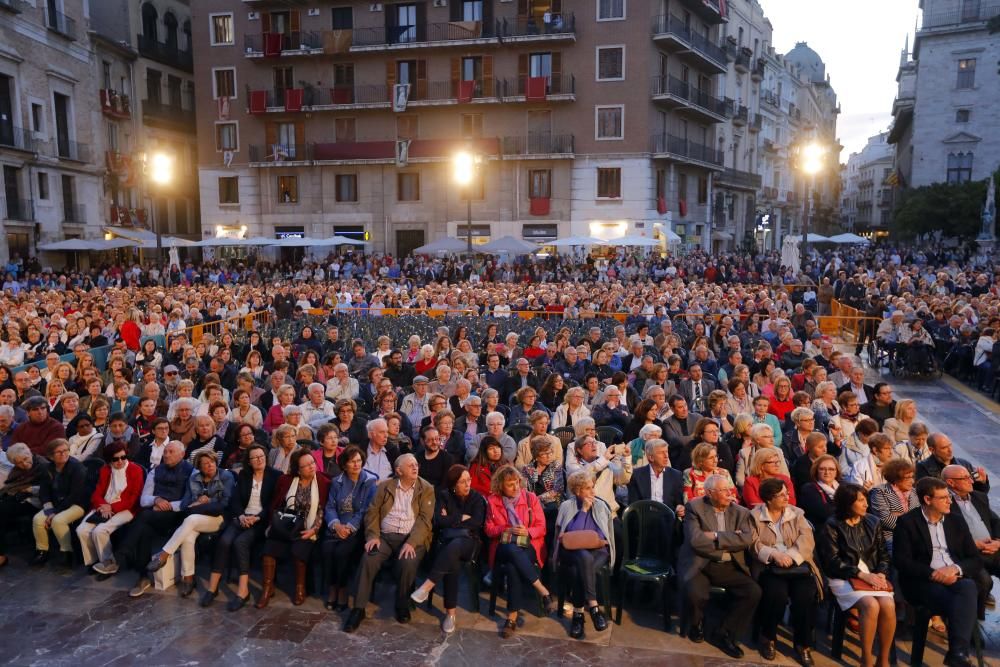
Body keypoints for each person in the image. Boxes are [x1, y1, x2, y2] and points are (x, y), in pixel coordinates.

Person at [894, 477, 982, 667]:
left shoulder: (956, 521)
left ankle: (957, 654)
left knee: (967, 586)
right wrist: (933, 574)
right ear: (927, 500)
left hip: (955, 579)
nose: (949, 501)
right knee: (963, 599)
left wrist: (954, 568)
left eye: (948, 497)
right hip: (922, 582)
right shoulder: (908, 522)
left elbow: (975, 559)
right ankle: (958, 654)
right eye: (943, 498)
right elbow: (901, 561)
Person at [343, 454, 435, 632]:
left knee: (407, 563)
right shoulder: (385, 486)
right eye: (410, 466)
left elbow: (425, 520)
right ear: (399, 471)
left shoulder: (426, 488)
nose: (415, 468)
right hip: (384, 537)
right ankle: (358, 608)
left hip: (411, 538)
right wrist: (373, 536)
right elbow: (372, 513)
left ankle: (402, 604)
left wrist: (412, 542)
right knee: (368, 559)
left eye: (416, 464)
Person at [679, 474, 761, 659]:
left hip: (729, 565)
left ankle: (724, 632)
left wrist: (715, 536)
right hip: (701, 562)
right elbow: (696, 540)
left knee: (753, 592)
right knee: (695, 592)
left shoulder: (741, 512)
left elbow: (747, 539)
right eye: (723, 490)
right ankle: (696, 623)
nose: (729, 493)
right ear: (709, 493)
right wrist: (730, 538)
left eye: (729, 489)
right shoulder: (694, 506)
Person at [817, 483, 896, 667]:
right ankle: (866, 658)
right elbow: (832, 562)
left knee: (888, 604)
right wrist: (860, 574)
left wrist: (882, 573)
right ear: (847, 503)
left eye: (865, 499)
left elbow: (884, 554)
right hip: (843, 576)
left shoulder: (873, 521)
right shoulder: (832, 525)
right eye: (861, 500)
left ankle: (883, 659)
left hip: (871, 575)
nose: (866, 504)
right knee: (871, 605)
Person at [750, 477, 823, 665]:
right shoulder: (754, 515)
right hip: (769, 566)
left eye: (787, 493)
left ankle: (802, 644)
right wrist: (774, 554)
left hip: (797, 564)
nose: (786, 497)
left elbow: (807, 540)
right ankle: (768, 637)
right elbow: (752, 543)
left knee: (805, 596)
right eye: (781, 495)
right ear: (768, 499)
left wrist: (791, 556)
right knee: (776, 595)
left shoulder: (797, 513)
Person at [201, 444, 281, 611]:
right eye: (255, 458)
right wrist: (242, 516)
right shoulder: (245, 475)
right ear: (249, 462)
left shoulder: (275, 476)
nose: (259, 460)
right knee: (224, 541)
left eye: (262, 456)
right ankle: (212, 588)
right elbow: (235, 500)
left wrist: (257, 518)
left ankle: (243, 591)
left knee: (240, 543)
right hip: (243, 517)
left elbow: (274, 505)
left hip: (261, 521)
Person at [410, 464, 487, 633]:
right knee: (452, 558)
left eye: (469, 480)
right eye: (462, 482)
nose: (467, 484)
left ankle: (427, 587)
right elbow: (438, 521)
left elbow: (477, 523)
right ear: (453, 485)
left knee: (456, 546)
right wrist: (461, 517)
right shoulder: (444, 496)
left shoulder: (476, 498)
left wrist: (451, 518)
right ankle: (450, 615)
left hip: (470, 543)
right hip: (447, 543)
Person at [147, 451, 235, 597]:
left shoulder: (226, 476)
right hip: (196, 518)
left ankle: (163, 555)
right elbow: (185, 504)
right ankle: (188, 578)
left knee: (190, 521)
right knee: (188, 537)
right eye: (205, 464)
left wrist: (209, 501)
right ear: (199, 467)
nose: (210, 465)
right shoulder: (194, 478)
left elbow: (226, 503)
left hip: (218, 518)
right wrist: (197, 501)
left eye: (212, 462)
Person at [483, 464, 556, 638]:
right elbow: (488, 529)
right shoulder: (493, 501)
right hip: (502, 546)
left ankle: (512, 617)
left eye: (517, 482)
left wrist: (527, 532)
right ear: (500, 486)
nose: (516, 487)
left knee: (513, 566)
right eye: (510, 484)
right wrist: (505, 529)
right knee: (509, 549)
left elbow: (542, 528)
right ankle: (542, 590)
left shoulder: (531, 498)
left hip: (528, 546)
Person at [257, 449, 331, 608]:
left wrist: (314, 530)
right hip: (285, 525)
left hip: (307, 528)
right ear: (298, 469)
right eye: (306, 465)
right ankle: (267, 588)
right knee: (269, 551)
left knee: (300, 550)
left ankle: (300, 588)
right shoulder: (286, 480)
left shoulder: (324, 482)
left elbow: (322, 510)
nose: (312, 467)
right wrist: (272, 525)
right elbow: (276, 504)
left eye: (312, 462)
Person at [552, 470, 615, 639]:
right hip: (571, 552)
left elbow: (602, 536)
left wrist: (591, 540)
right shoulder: (567, 506)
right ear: (578, 491)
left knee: (579, 571)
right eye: (588, 488)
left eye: (592, 487)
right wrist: (584, 511)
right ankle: (594, 607)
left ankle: (578, 615)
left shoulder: (601, 506)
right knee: (583, 556)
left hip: (598, 551)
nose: (593, 491)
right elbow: (573, 538)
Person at [322, 445, 378, 612]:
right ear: (344, 464)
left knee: (341, 553)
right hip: (337, 525)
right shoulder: (337, 482)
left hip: (357, 528)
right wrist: (337, 525)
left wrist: (349, 527)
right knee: (327, 550)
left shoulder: (369, 482)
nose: (356, 464)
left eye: (359, 461)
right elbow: (330, 507)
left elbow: (366, 510)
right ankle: (332, 588)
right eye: (352, 461)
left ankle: (343, 589)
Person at [76, 441, 144, 573]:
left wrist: (111, 508)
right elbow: (97, 492)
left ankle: (107, 564)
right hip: (104, 506)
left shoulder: (135, 470)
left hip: (126, 509)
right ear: (109, 460)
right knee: (81, 530)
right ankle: (93, 562)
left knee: (100, 531)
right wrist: (102, 506)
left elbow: (134, 498)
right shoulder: (105, 470)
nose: (120, 461)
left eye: (123, 457)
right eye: (115, 459)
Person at [943, 464, 1000, 615]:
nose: (971, 481)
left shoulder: (979, 497)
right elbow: (943, 533)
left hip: (991, 548)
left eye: (969, 476)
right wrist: (973, 545)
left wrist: (998, 541)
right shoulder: (944, 501)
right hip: (967, 553)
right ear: (951, 483)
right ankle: (974, 619)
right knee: (984, 581)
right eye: (965, 478)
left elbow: (995, 521)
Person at [31, 439, 87, 569]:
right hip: (56, 503)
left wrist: (55, 512)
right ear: (50, 456)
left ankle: (67, 553)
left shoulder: (78, 468)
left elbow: (75, 495)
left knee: (58, 520)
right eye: (59, 452)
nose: (63, 454)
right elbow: (44, 492)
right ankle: (42, 551)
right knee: (38, 519)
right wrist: (50, 510)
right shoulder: (47, 468)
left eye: (65, 450)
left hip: (77, 504)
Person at [0, 443, 50, 567]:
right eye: (19, 463)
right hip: (19, 498)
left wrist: (29, 489)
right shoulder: (17, 470)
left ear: (30, 454)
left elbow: (49, 489)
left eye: (25, 459)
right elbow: (10, 485)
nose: (24, 464)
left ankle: (1, 555)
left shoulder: (43, 466)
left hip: (36, 501)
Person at [627, 438, 685, 516]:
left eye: (666, 452)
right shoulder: (637, 475)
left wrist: (680, 507)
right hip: (644, 518)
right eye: (661, 453)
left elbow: (679, 502)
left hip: (667, 518)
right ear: (651, 457)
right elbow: (633, 503)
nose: (666, 456)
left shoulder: (676, 475)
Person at [917, 433, 990, 494]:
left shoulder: (964, 464)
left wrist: (982, 482)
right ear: (932, 450)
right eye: (944, 448)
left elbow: (979, 495)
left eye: (950, 445)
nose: (950, 450)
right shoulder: (922, 468)